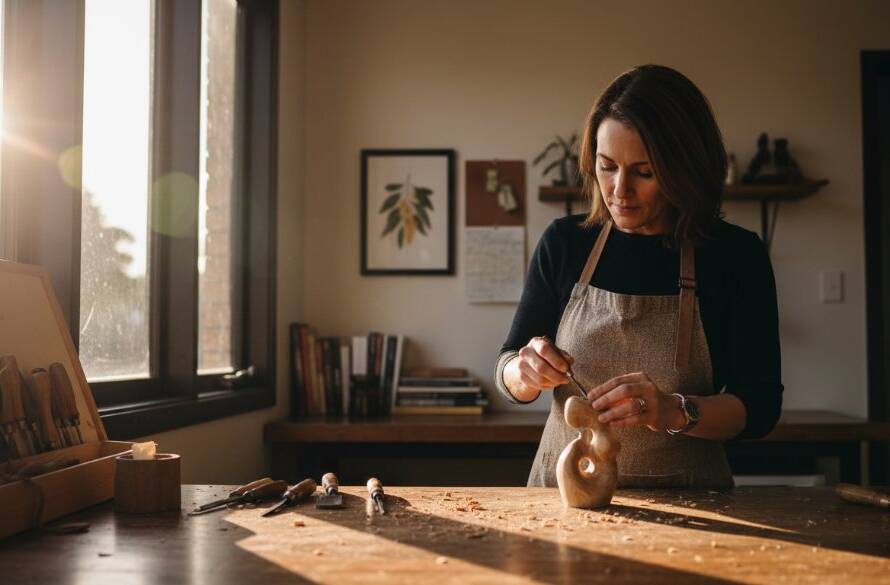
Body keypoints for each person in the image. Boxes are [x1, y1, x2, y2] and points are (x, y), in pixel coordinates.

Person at [495, 65, 783, 489]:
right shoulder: (565, 243)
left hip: (692, 502)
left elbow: (758, 409)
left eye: (644, 172)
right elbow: (507, 369)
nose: (619, 191)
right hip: (561, 501)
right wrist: (524, 371)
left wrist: (673, 411)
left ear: (684, 169)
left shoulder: (735, 256)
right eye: (607, 167)